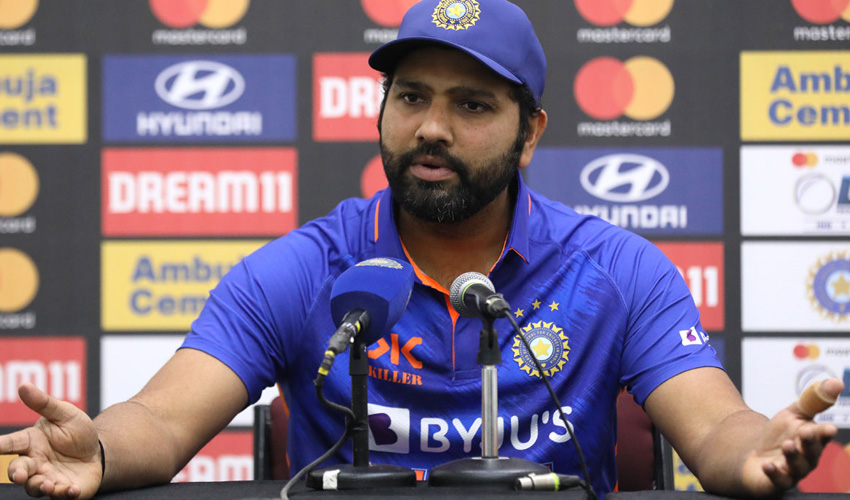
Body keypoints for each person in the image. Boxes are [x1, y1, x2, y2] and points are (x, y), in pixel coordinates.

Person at [1, 1, 844, 498]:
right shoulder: (305, 267)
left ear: (530, 131)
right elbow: (161, 418)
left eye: (472, 105)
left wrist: (753, 454)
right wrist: (100, 449)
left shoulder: (615, 271)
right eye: (411, 97)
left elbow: (717, 425)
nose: (432, 128)